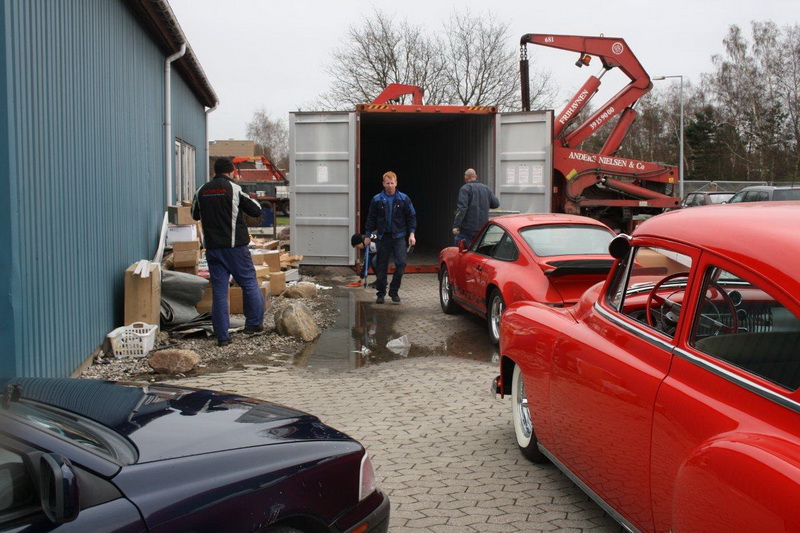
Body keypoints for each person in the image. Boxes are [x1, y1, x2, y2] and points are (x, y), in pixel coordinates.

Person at [192, 157, 264, 347]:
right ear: (231, 171)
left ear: (215, 171)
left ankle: (222, 337)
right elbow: (257, 210)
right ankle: (254, 324)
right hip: (235, 248)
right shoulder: (235, 189)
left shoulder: (202, 190)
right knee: (249, 283)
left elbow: (194, 214)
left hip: (213, 250)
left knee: (219, 292)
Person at [364, 171, 417, 304]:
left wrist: (412, 233)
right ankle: (381, 293)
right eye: (387, 183)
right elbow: (371, 218)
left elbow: (411, 217)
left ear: (396, 183)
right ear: (383, 183)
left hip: (399, 237)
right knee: (381, 265)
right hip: (383, 237)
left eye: (392, 183)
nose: (390, 186)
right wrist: (368, 235)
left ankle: (394, 291)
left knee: (401, 264)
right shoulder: (376, 199)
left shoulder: (404, 198)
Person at [452, 168, 500, 246]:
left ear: (466, 178)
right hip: (482, 228)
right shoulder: (486, 188)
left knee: (461, 249)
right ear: (476, 176)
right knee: (477, 251)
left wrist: (456, 226)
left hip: (467, 229)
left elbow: (462, 209)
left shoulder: (465, 188)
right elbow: (496, 204)